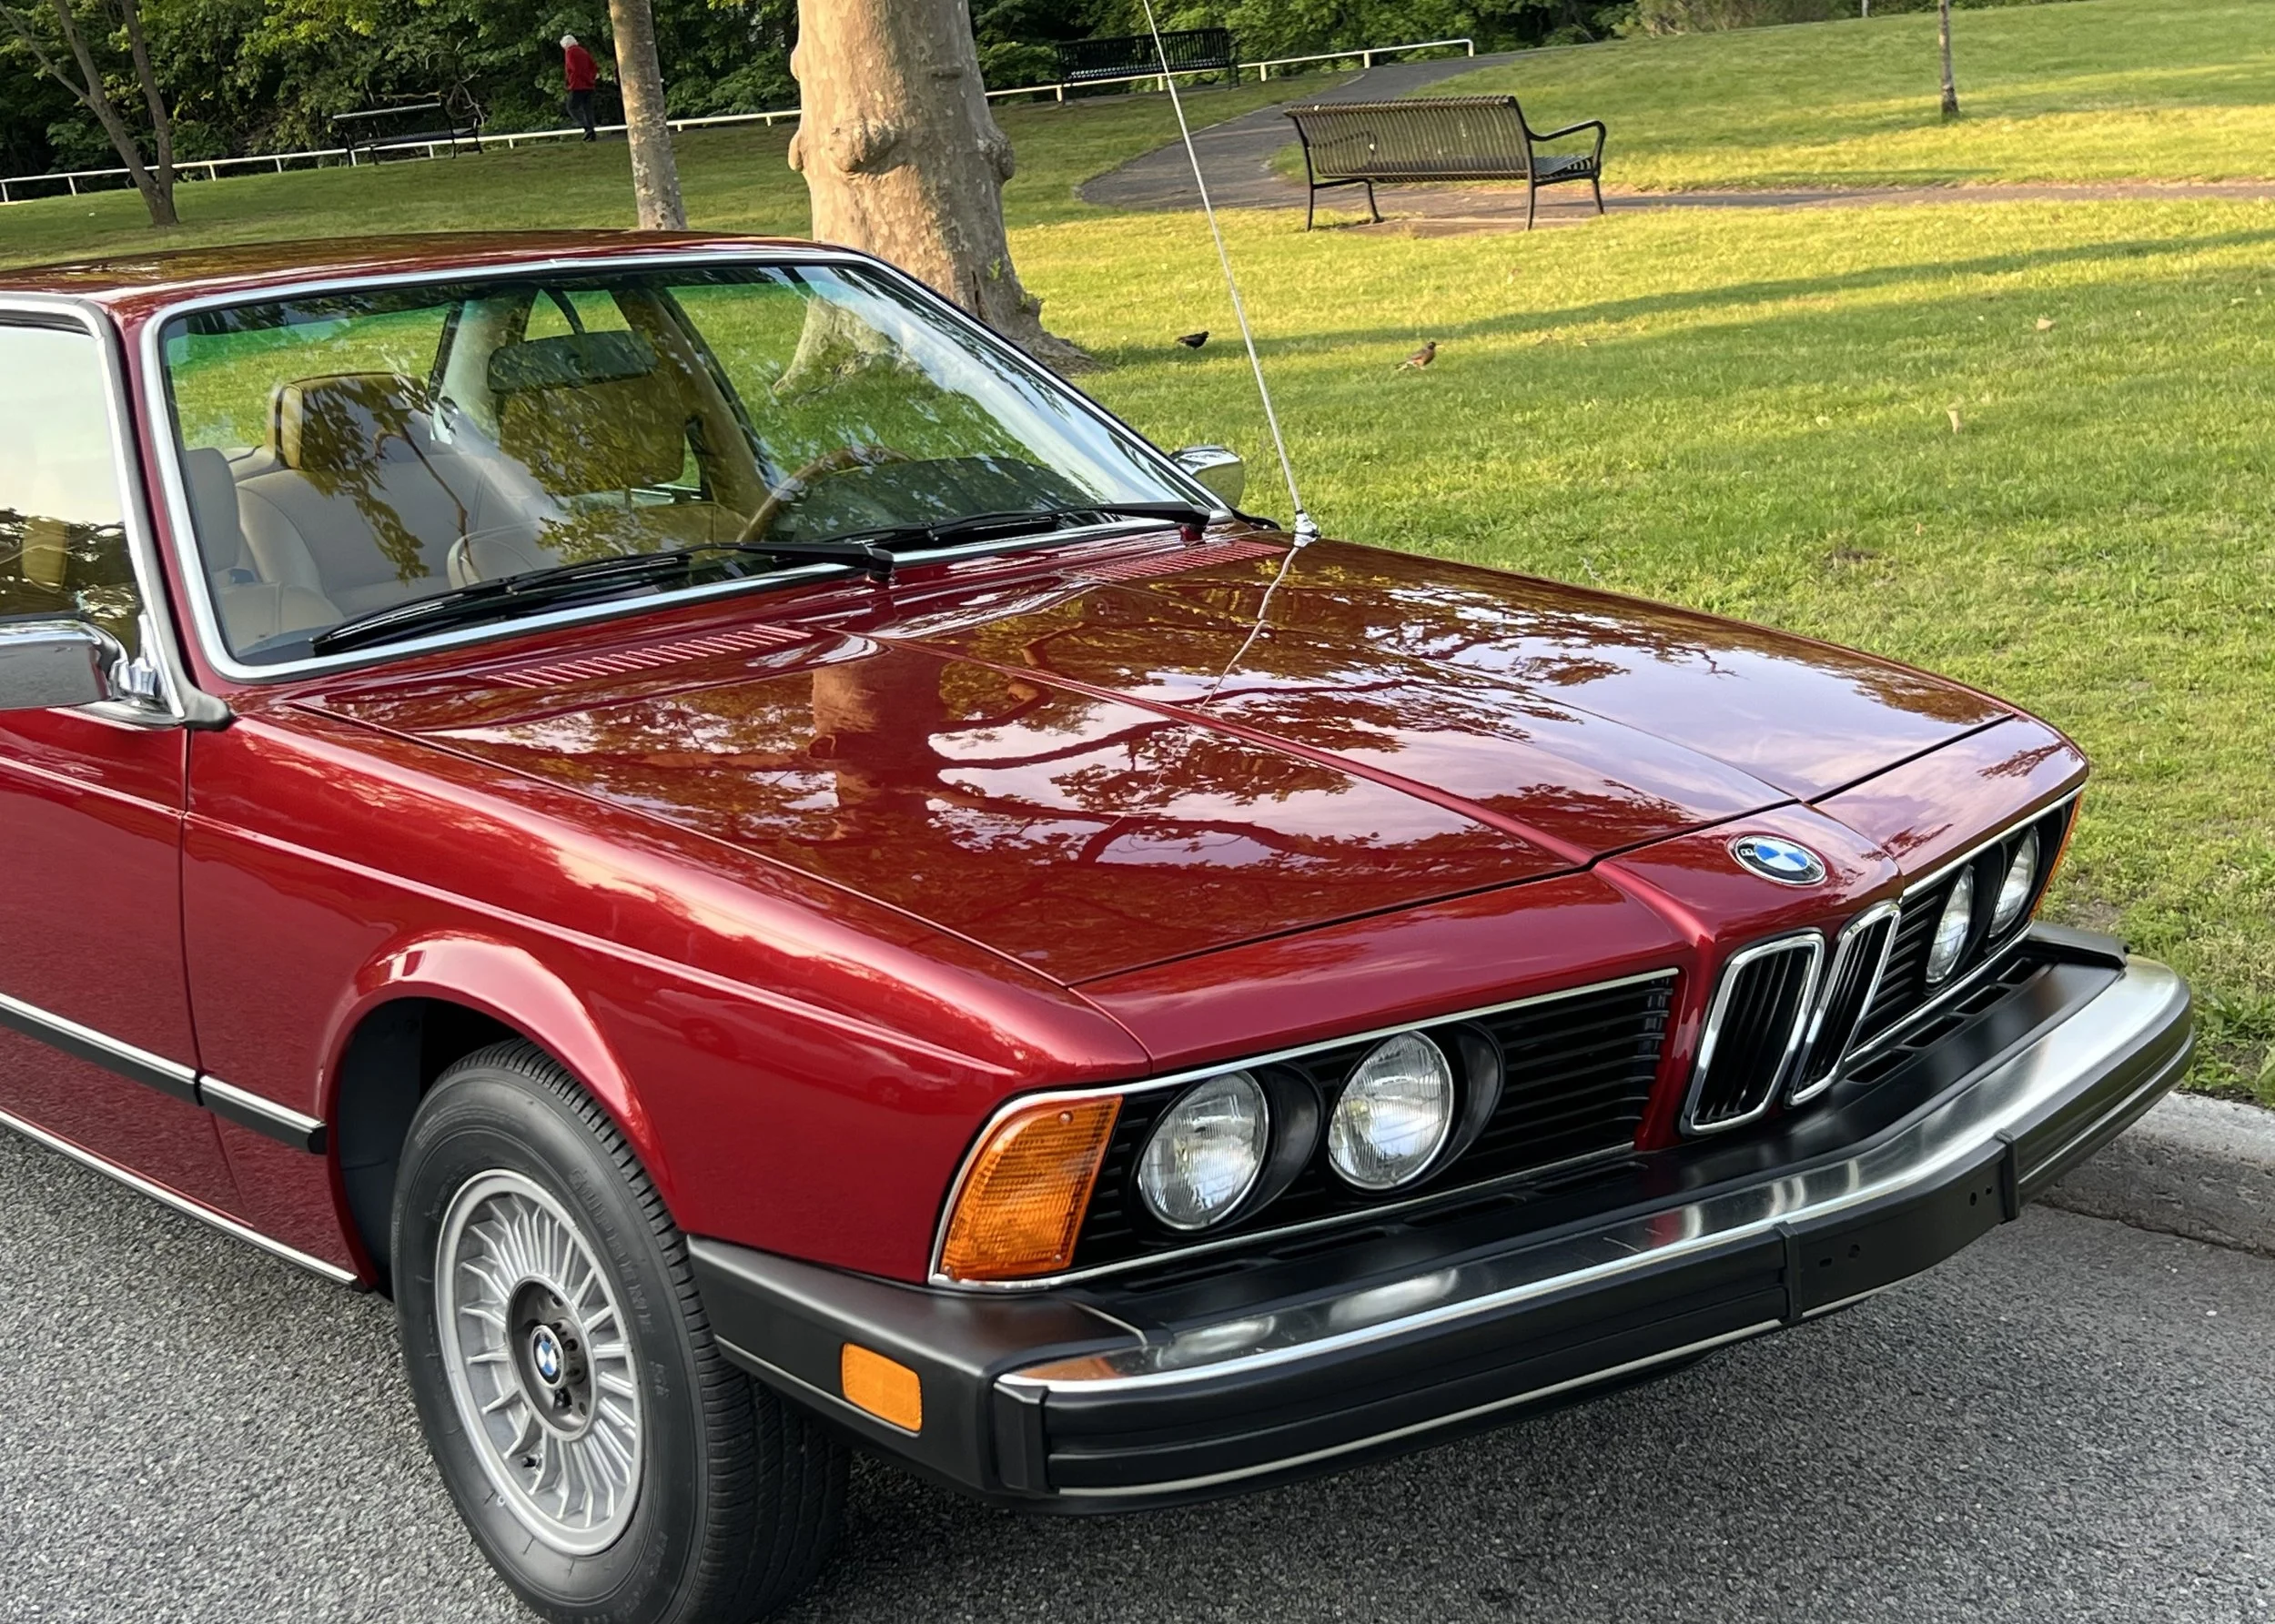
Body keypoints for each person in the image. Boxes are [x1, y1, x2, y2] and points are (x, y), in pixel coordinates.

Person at [561, 34, 599, 141]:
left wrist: (569, 82)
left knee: (572, 107)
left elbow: (572, 69)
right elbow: (593, 66)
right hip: (589, 85)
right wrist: (591, 79)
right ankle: (592, 134)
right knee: (587, 109)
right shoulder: (584, 51)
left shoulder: (570, 52)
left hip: (577, 85)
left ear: (566, 45)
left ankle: (587, 127)